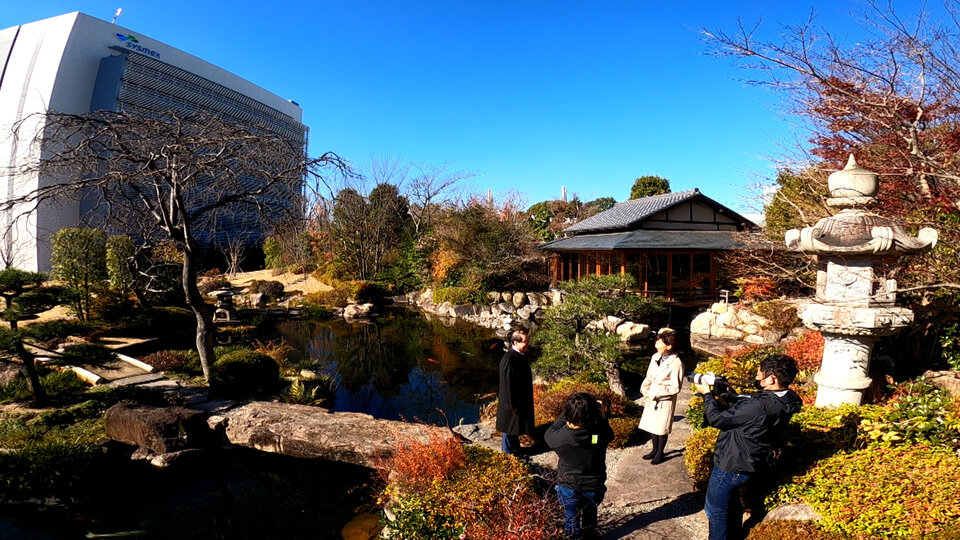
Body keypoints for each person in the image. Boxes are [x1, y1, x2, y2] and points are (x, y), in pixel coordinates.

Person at [692, 354, 803, 540]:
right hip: (750, 461)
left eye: (760, 375)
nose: (757, 377)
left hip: (731, 463)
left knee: (715, 511)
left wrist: (707, 394)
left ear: (771, 379)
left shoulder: (760, 405)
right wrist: (727, 392)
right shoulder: (788, 398)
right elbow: (746, 411)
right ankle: (734, 536)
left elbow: (718, 419)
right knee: (733, 503)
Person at [545, 392, 614, 539]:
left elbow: (549, 431)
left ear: (568, 415)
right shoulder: (598, 433)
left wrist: (569, 411)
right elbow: (609, 435)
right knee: (590, 514)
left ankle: (573, 537)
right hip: (594, 485)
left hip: (568, 485)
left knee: (571, 516)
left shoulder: (558, 438)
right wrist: (601, 416)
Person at [637, 329, 683, 464]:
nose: (656, 346)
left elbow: (675, 387)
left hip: (664, 399)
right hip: (651, 395)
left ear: (668, 346)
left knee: (661, 428)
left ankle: (660, 452)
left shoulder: (677, 363)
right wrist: (644, 389)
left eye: (659, 343)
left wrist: (657, 393)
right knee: (652, 425)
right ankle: (654, 449)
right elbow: (649, 376)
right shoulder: (655, 357)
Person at [496, 329, 535, 455]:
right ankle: (508, 454)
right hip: (512, 403)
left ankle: (515, 450)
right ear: (515, 343)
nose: (527, 344)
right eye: (525, 341)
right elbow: (506, 385)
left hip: (519, 400)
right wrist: (510, 405)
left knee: (515, 427)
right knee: (509, 428)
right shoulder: (509, 359)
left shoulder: (520, 356)